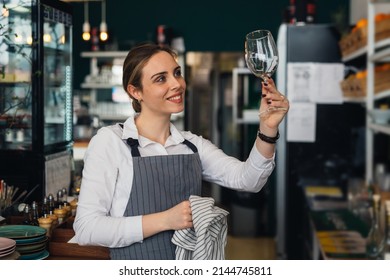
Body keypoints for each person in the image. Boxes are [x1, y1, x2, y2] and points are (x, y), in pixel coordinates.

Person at [73, 42, 289, 260]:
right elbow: (87, 228)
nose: (176, 83)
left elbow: (249, 180)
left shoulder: (192, 145)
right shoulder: (110, 142)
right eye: (160, 78)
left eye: (177, 73)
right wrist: (166, 220)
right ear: (135, 91)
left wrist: (268, 128)